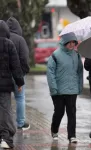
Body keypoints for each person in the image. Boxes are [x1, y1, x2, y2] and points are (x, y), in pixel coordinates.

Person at [47, 32, 83, 143]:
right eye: (70, 42)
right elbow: (50, 72)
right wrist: (53, 88)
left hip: (72, 89)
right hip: (58, 91)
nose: (72, 45)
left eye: (74, 42)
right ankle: (54, 130)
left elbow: (80, 72)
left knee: (72, 113)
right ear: (64, 42)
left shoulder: (76, 55)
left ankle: (72, 136)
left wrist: (79, 86)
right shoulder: (55, 55)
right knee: (59, 112)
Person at [0, 20, 24, 149]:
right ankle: (7, 138)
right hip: (4, 85)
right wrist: (19, 82)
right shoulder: (9, 44)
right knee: (5, 110)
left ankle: (3, 135)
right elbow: (16, 66)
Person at [6, 17, 30, 130]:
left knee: (5, 99)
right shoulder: (20, 40)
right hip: (18, 74)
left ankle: (6, 123)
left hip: (4, 74)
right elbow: (24, 58)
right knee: (20, 98)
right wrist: (24, 73)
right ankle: (20, 123)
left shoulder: (3, 38)